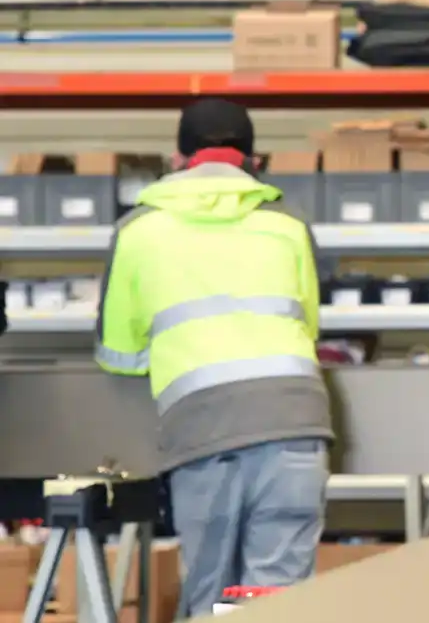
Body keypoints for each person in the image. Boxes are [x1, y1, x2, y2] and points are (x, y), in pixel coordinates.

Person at [94, 98, 333, 617]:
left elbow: (117, 353)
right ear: (254, 161)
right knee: (281, 603)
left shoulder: (137, 231)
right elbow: (307, 327)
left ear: (178, 160)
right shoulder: (288, 225)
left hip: (204, 431)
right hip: (294, 421)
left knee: (211, 599)